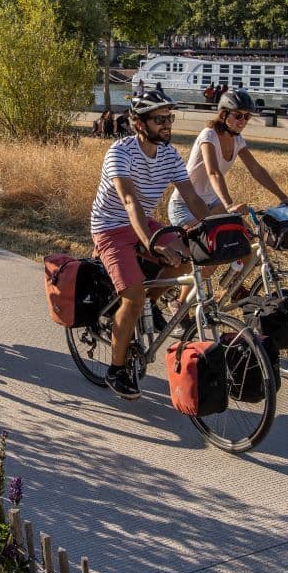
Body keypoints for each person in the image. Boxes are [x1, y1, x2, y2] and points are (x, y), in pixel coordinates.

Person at [89, 92, 212, 399]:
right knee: (132, 297)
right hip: (111, 228)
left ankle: (150, 302)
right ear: (138, 123)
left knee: (187, 258)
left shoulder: (169, 155)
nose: (167, 125)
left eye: (169, 118)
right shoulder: (120, 152)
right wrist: (151, 244)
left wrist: (215, 228)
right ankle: (116, 370)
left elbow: (192, 197)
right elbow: (129, 201)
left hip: (144, 223)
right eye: (160, 119)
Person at [168, 88, 288, 228]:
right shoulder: (209, 135)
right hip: (186, 204)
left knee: (246, 237)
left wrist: (283, 197)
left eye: (247, 117)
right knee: (209, 242)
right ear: (223, 115)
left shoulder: (237, 140)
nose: (243, 121)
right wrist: (229, 205)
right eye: (238, 115)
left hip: (213, 202)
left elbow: (256, 169)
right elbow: (213, 172)